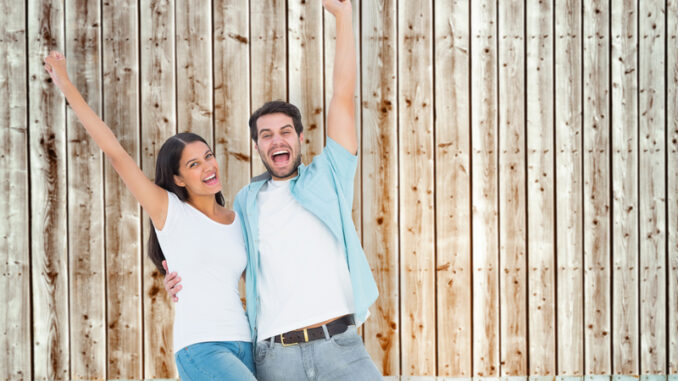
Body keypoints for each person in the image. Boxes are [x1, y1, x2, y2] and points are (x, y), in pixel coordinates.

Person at [164, 0, 383, 379]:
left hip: (340, 348)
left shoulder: (329, 174)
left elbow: (343, 96)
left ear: (301, 138)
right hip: (275, 356)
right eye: (266, 135)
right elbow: (219, 255)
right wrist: (183, 279)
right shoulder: (245, 202)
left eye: (285, 132)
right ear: (257, 147)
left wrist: (344, 19)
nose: (276, 140)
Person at [44, 51, 256, 380]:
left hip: (245, 342)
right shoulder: (169, 210)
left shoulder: (237, 219)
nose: (208, 166)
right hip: (201, 345)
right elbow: (115, 153)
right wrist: (66, 84)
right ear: (178, 179)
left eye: (208, 156)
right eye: (193, 164)